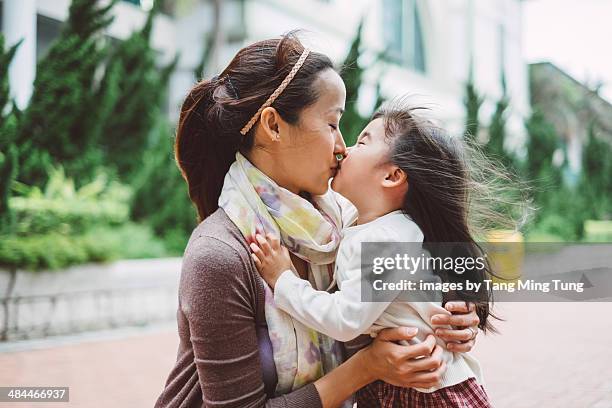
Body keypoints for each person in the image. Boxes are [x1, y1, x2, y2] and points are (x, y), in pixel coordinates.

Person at [155, 33, 481, 408]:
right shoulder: (220, 255)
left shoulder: (345, 225)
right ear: (273, 126)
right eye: (332, 124)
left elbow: (388, 307)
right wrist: (366, 368)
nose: (342, 147)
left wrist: (444, 324)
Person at [251, 102, 504, 406]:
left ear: (392, 175)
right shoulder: (369, 225)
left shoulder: (388, 242)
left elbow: (345, 319)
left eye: (362, 142)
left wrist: (283, 280)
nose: (343, 149)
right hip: (401, 383)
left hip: (423, 393)